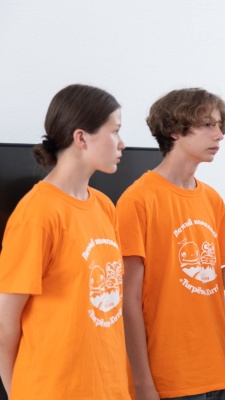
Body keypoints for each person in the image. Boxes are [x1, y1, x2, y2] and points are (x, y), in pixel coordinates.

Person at [116, 88, 225, 400]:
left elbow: (206, 285)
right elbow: (128, 301)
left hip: (217, 371)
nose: (219, 135)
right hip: (169, 379)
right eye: (208, 125)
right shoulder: (138, 200)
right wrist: (142, 384)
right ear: (174, 130)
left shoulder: (212, 200)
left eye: (220, 126)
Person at [0, 84, 130, 399]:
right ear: (81, 137)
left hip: (109, 389)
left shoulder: (104, 206)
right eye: (115, 131)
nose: (122, 143)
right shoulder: (37, 213)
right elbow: (5, 327)